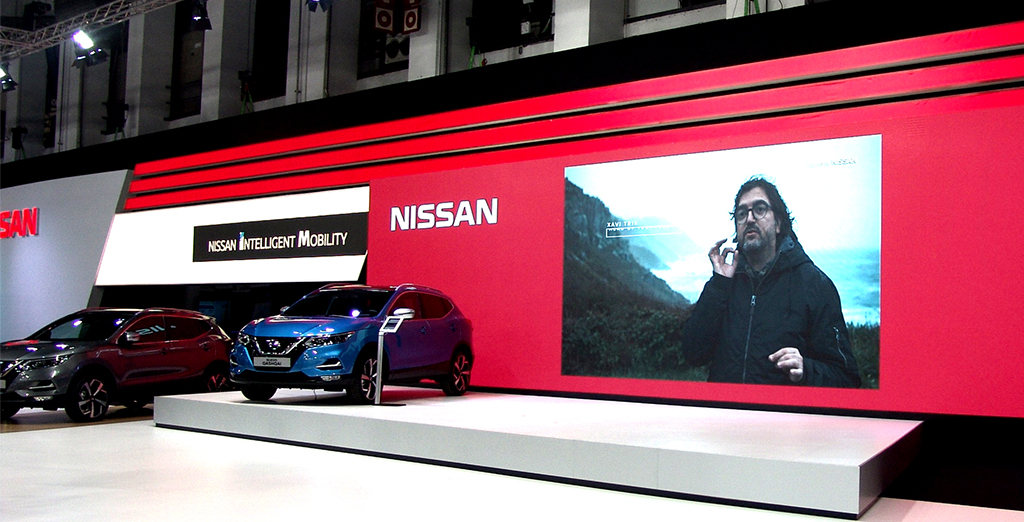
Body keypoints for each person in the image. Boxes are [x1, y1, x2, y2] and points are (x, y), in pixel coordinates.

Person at [680, 176, 861, 387]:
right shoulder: (724, 284)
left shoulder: (815, 284)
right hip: (723, 407)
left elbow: (846, 378)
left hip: (780, 409)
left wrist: (806, 370)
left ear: (778, 223)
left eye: (760, 209)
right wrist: (719, 284)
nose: (749, 219)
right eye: (741, 213)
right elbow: (693, 354)